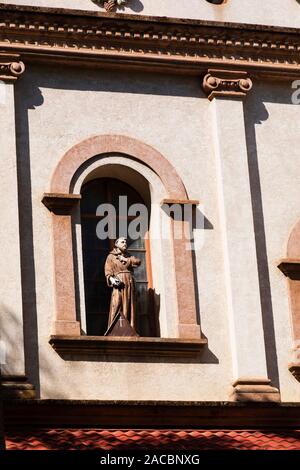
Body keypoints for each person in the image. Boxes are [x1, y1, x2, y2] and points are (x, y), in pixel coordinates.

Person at [104, 237, 141, 332]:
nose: (125, 243)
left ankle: (130, 328)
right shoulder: (111, 256)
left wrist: (125, 259)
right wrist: (112, 279)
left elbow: (138, 262)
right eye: (122, 242)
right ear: (116, 244)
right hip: (119, 283)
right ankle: (113, 329)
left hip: (129, 283)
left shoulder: (128, 256)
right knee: (117, 303)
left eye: (126, 242)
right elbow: (108, 270)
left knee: (130, 304)